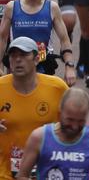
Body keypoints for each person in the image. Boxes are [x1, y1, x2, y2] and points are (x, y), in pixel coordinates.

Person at [0, 37, 68, 179]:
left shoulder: (57, 87)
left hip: (48, 171)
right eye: (13, 55)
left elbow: (77, 123)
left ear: (37, 59)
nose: (18, 60)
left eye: (23, 55)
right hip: (5, 173)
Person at [17, 88, 89, 180]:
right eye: (70, 120)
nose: (75, 126)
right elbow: (22, 175)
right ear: (60, 112)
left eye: (81, 121)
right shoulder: (39, 137)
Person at [0, 0, 75, 83]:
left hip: (44, 67)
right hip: (18, 66)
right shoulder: (12, 7)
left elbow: (65, 40)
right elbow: (2, 39)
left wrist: (69, 66)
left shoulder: (52, 8)